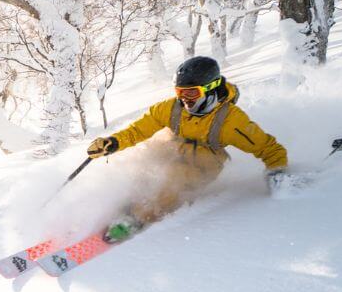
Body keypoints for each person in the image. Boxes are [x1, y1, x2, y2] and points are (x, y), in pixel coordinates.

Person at [86, 55, 288, 241]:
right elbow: (139, 130)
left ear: (211, 88)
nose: (185, 99)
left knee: (176, 178)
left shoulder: (231, 121)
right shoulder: (171, 108)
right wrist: (113, 142)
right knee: (144, 158)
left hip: (205, 159)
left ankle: (139, 218)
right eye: (180, 92)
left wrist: (278, 172)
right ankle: (128, 203)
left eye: (192, 92)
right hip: (174, 146)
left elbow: (269, 148)